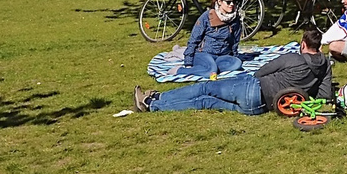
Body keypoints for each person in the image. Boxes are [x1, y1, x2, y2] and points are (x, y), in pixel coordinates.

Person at [136, 28, 332, 113]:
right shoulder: (325, 67)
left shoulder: (293, 58)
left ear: (303, 44)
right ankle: (154, 106)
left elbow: (262, 71)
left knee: (204, 89)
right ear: (320, 47)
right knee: (205, 103)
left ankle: (156, 99)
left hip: (254, 88)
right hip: (259, 108)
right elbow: (325, 94)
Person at [177, 0, 244, 77]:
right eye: (228, 2)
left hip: (222, 56)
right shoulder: (207, 16)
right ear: (220, 2)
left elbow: (235, 41)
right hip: (204, 54)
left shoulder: (235, 19)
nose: (232, 5)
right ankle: (181, 71)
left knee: (237, 64)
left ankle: (210, 68)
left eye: (234, 1)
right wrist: (188, 62)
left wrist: (234, 56)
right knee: (211, 70)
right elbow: (193, 39)